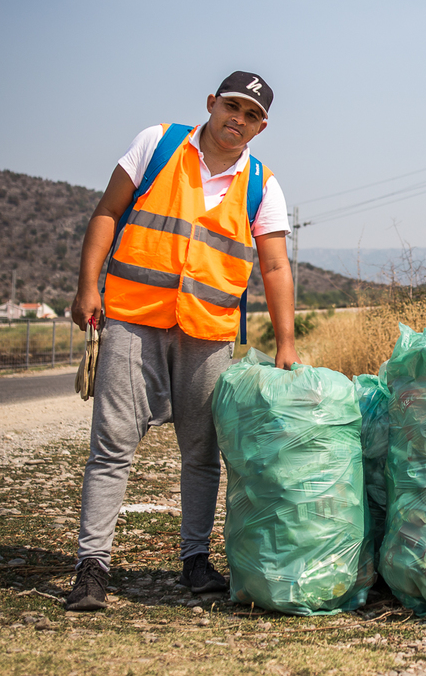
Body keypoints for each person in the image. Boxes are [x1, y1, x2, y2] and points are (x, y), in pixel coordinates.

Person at [64, 71, 300, 611]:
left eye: (252, 115)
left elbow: (276, 264)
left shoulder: (263, 184)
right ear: (212, 103)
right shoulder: (158, 143)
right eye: (232, 107)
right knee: (113, 443)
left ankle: (195, 562)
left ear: (262, 127)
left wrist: (285, 343)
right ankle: (91, 567)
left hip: (208, 331)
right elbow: (107, 212)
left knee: (201, 452)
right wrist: (87, 286)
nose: (237, 120)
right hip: (132, 317)